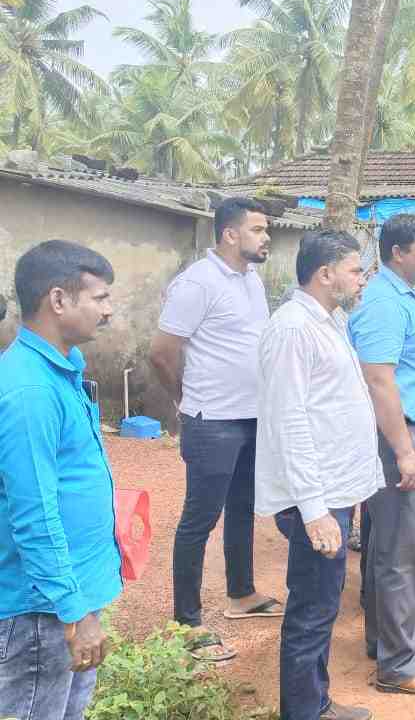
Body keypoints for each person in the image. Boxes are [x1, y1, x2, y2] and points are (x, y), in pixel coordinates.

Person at [256, 231, 380, 720]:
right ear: (325, 274)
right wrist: (314, 509)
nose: (362, 278)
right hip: (317, 497)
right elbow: (288, 421)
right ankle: (305, 711)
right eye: (355, 270)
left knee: (323, 606)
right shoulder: (292, 329)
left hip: (334, 490)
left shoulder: (330, 321)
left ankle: (316, 703)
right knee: (311, 610)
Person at [150, 197, 280, 663]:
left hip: (251, 415)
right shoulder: (197, 283)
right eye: (258, 229)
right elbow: (162, 352)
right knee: (199, 519)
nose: (266, 237)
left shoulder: (252, 280)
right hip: (212, 420)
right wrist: (185, 399)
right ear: (229, 234)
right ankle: (186, 624)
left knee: (243, 506)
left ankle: (241, 593)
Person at [0, 241, 121, 720]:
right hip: (41, 609)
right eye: (100, 297)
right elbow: (34, 512)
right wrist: (73, 610)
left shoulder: (59, 372)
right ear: (58, 300)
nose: (109, 310)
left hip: (66, 596)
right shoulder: (30, 390)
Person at [348, 214, 415, 696]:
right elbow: (379, 380)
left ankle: (389, 639)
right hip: (402, 436)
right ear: (397, 252)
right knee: (403, 551)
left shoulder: (407, 296)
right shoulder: (384, 303)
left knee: (389, 545)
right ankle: (398, 665)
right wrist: (404, 451)